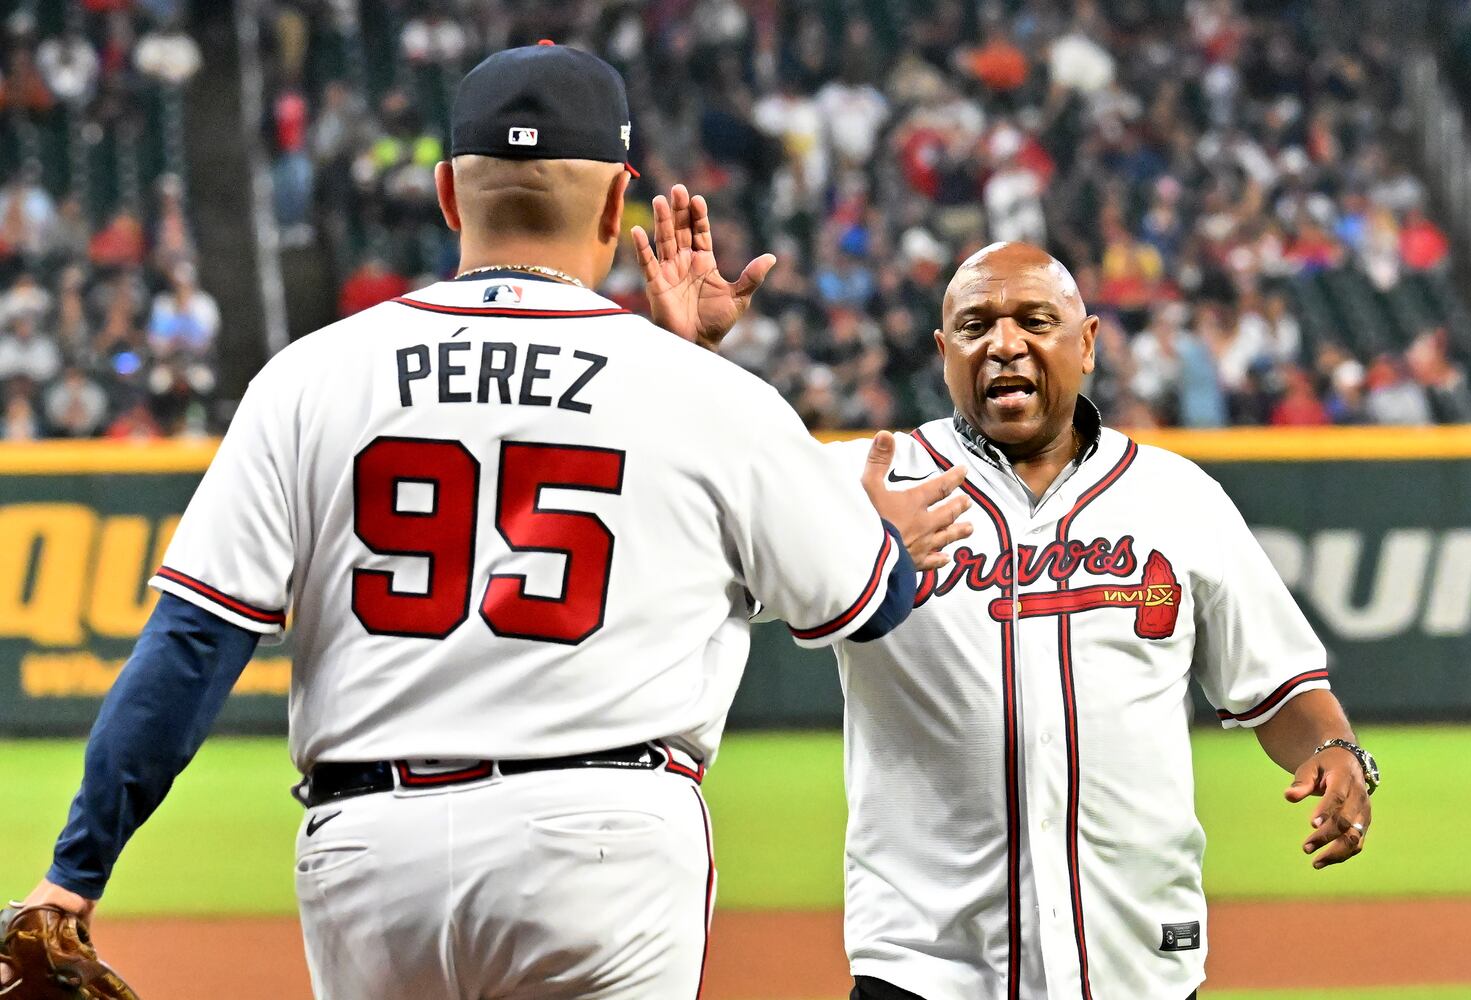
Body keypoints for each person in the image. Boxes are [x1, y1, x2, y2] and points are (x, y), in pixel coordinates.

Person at [13, 43, 973, 1000]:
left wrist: (75, 873)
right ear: (614, 203)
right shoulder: (701, 393)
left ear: (445, 193)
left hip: (370, 853)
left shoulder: (310, 377)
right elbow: (868, 601)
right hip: (602, 845)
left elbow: (191, 646)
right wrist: (876, 531)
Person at [637, 207, 1379, 1000]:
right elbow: (672, 544)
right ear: (943, 352)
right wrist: (687, 368)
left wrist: (1335, 751)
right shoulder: (867, 483)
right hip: (925, 972)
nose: (1003, 343)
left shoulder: (1178, 497)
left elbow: (1281, 687)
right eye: (974, 325)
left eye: (1034, 320)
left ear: (1087, 343)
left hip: (1137, 964)